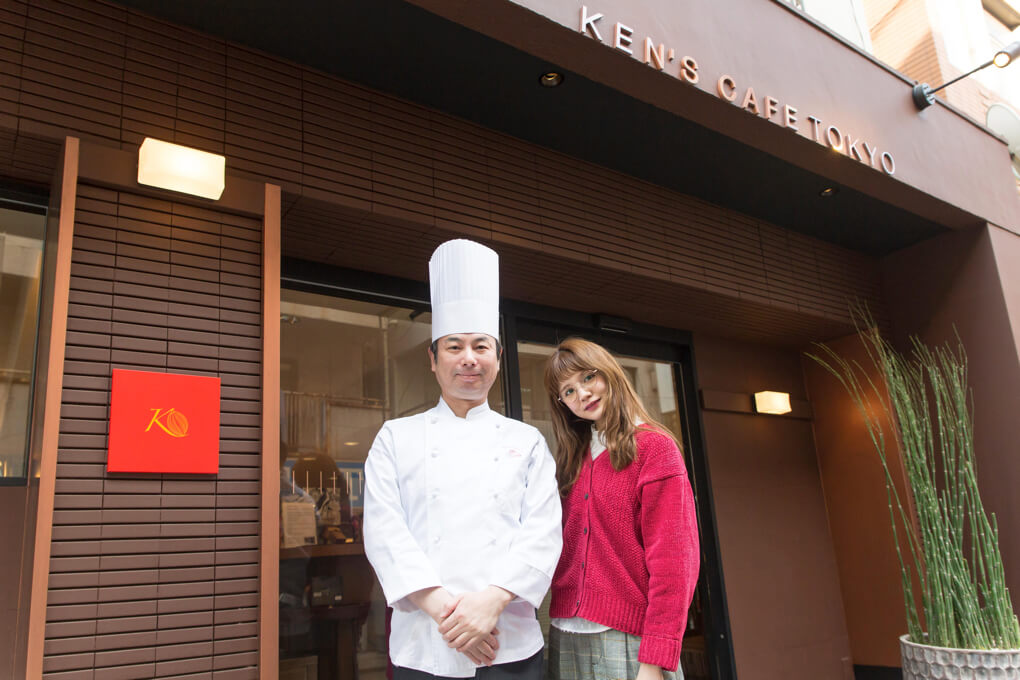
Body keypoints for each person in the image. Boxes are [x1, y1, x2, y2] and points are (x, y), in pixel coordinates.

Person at [364, 239, 562, 680]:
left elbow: (543, 533)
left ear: (497, 357)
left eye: (481, 346)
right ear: (433, 360)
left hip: (508, 642)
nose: (468, 359)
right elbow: (384, 531)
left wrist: (491, 601)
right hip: (424, 643)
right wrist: (450, 616)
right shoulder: (396, 437)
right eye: (454, 347)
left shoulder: (527, 441)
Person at [543, 338, 700, 680]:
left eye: (587, 377)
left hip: (628, 641)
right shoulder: (572, 460)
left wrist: (654, 659)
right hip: (565, 637)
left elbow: (675, 564)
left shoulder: (655, 449)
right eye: (568, 391)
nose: (581, 394)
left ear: (609, 373)